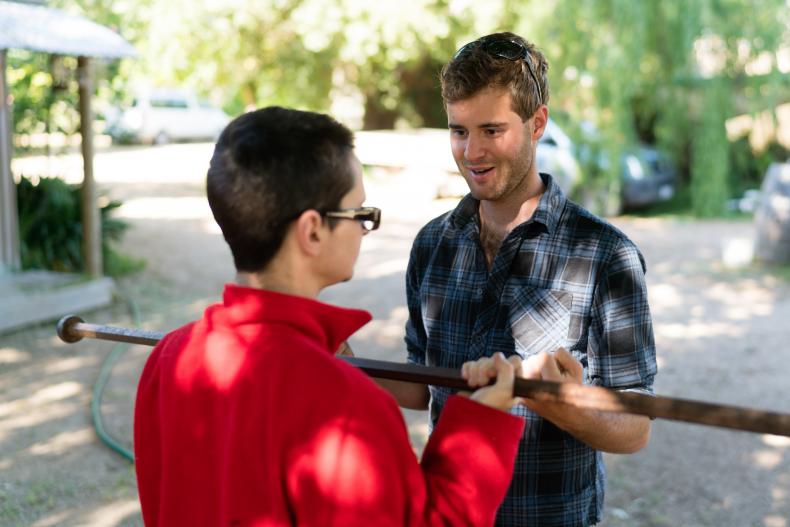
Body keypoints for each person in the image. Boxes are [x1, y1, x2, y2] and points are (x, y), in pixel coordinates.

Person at [133, 106, 530, 526]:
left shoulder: (169, 358)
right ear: (313, 230)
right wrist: (479, 425)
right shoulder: (344, 405)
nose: (363, 228)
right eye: (360, 214)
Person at [392, 33, 658, 526]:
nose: (472, 152)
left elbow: (635, 429)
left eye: (492, 130)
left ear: (537, 124)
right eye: (459, 131)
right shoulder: (432, 244)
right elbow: (421, 384)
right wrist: (347, 370)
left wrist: (552, 402)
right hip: (449, 511)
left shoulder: (607, 255)